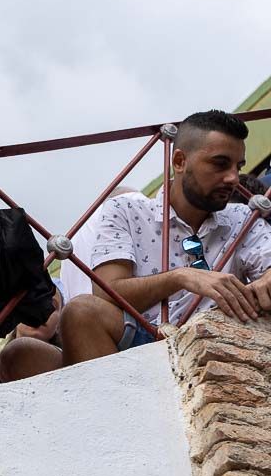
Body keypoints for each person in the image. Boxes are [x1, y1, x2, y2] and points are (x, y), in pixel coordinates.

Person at [60, 110, 271, 364]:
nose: (233, 178)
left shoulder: (243, 217)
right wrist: (181, 277)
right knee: (54, 331)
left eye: (238, 167)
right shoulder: (125, 210)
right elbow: (106, 292)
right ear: (180, 161)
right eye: (220, 164)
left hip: (218, 343)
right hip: (139, 347)